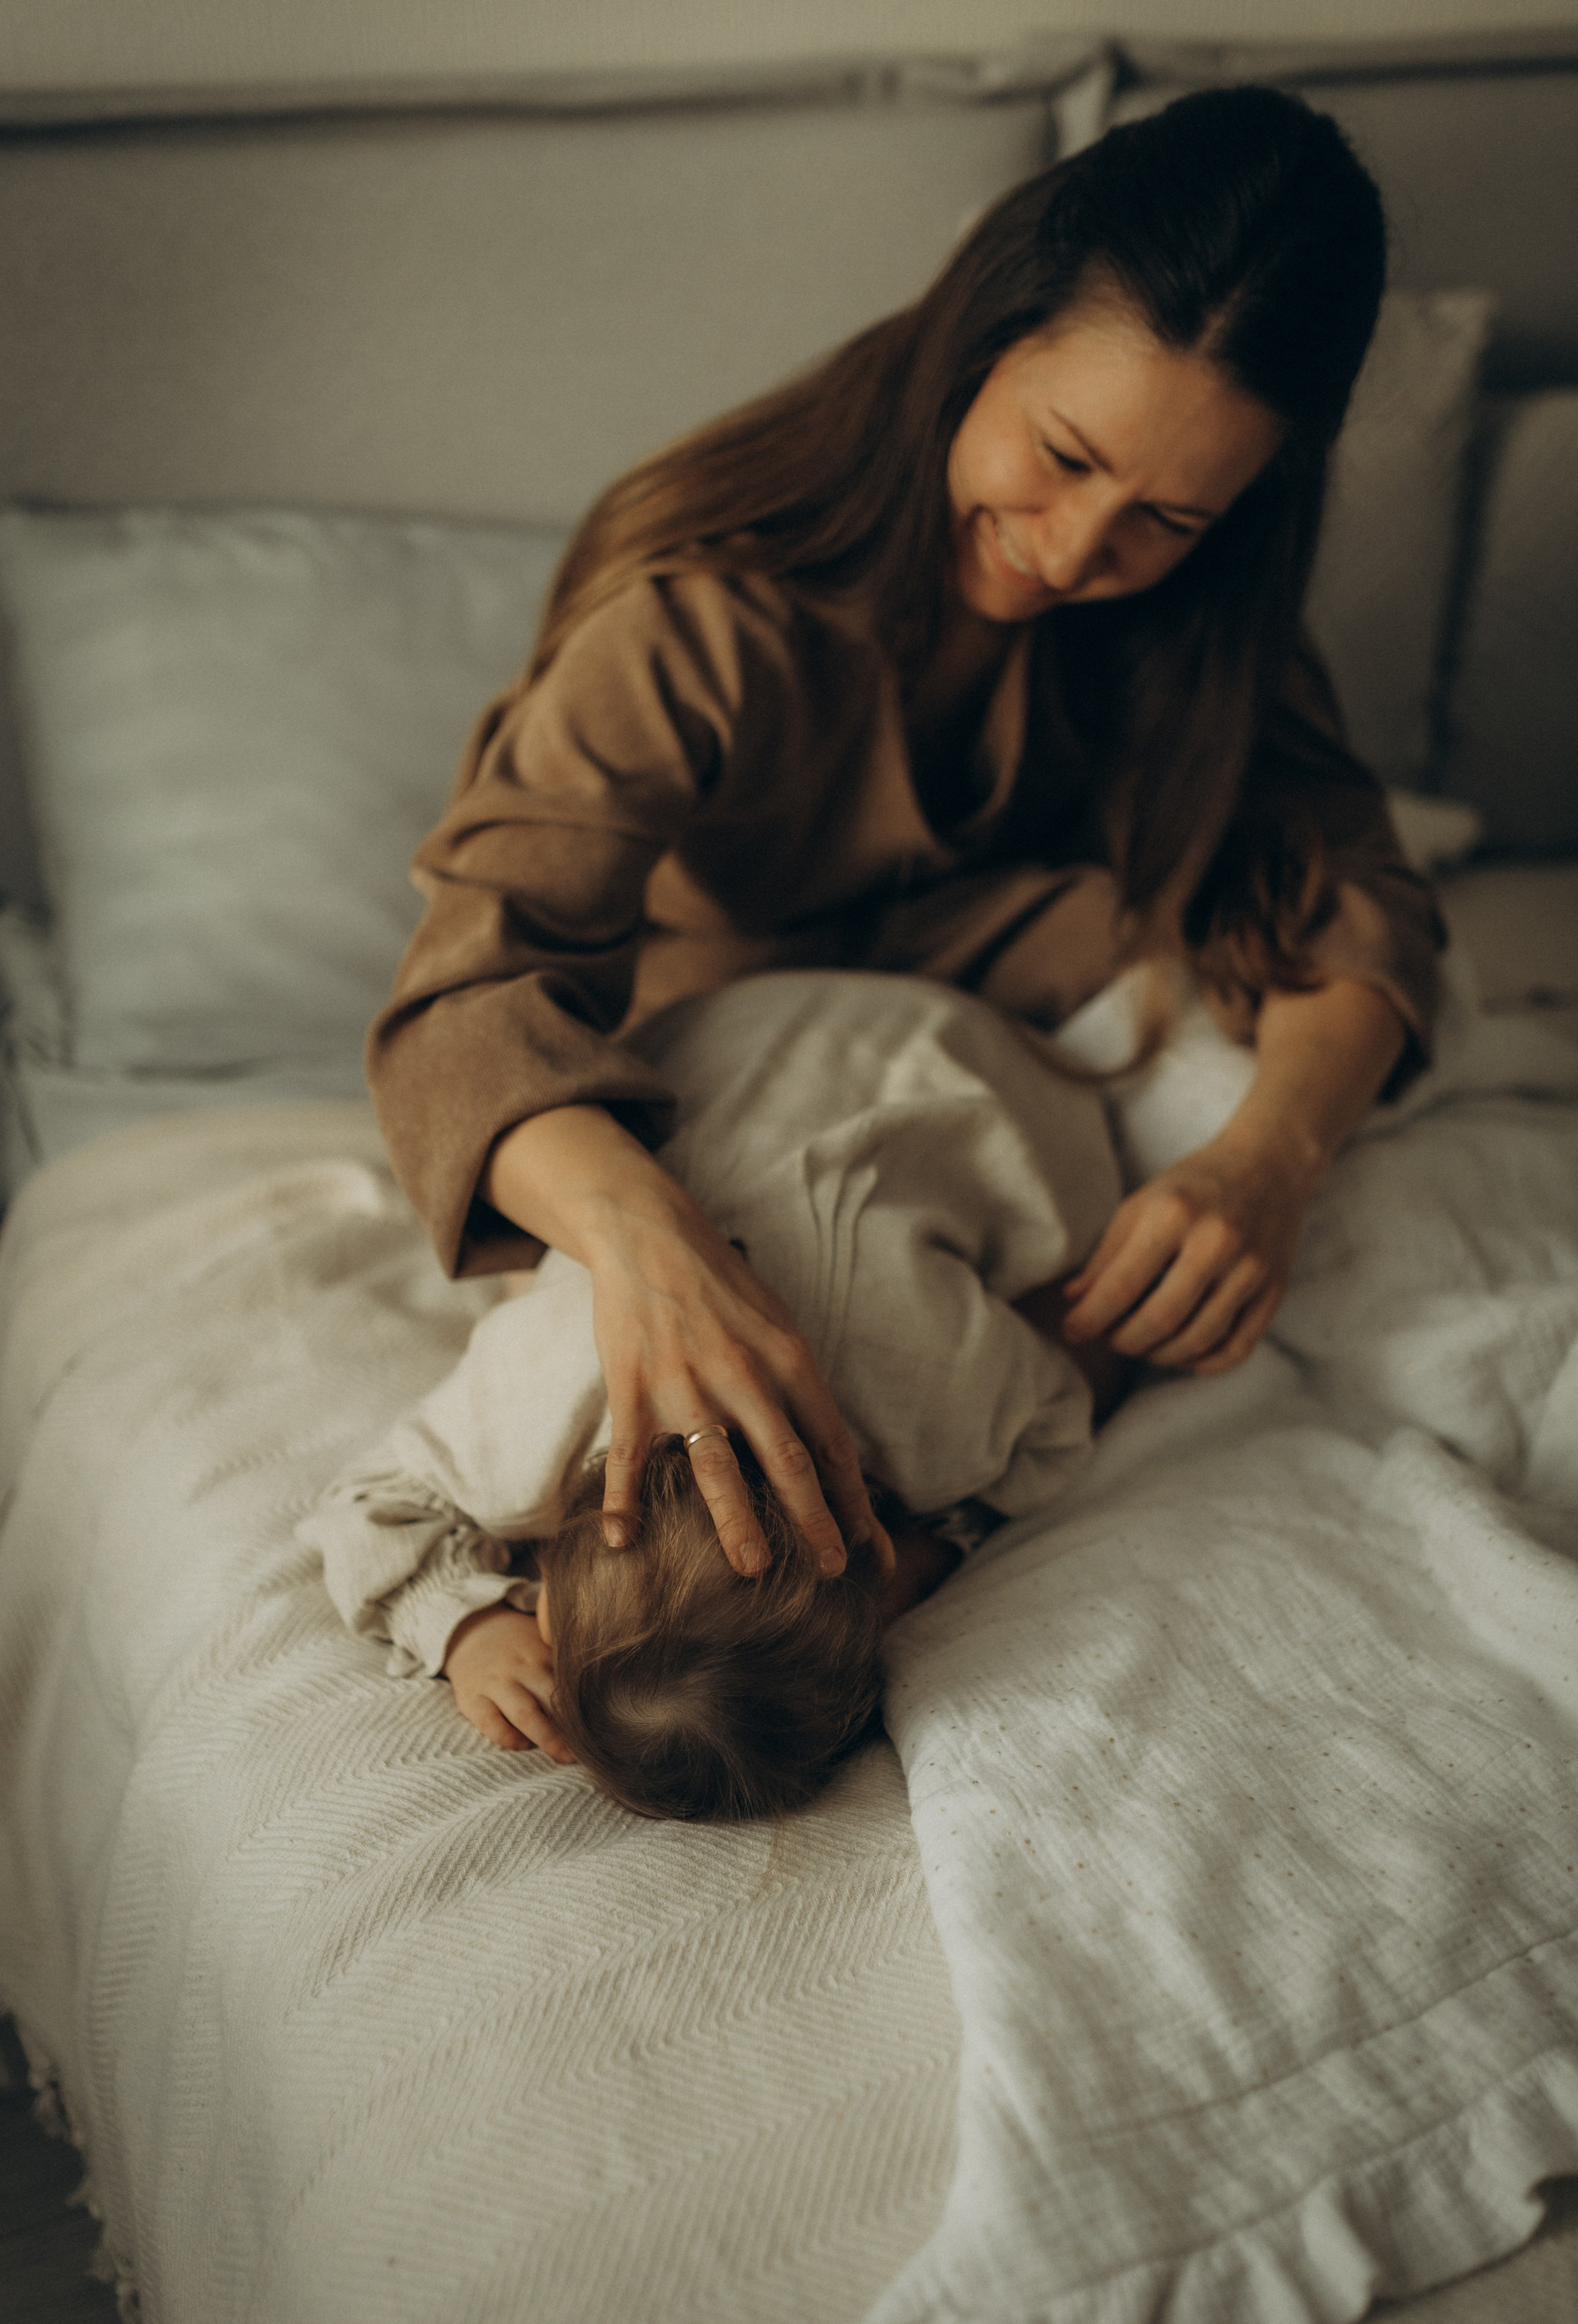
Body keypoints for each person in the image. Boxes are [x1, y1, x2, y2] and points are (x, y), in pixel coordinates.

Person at [366, 85, 1443, 1596]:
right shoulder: (700, 602)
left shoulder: (1198, 606)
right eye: (1063, 456)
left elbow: (1355, 895)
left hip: (1020, 1028)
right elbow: (469, 995)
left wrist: (1267, 1161)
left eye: (1166, 518)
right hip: (715, 1052)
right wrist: (645, 1247)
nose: (1077, 556)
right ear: (981, 332)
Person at [310, 970, 1127, 1818]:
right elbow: (363, 1510)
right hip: (763, 1024)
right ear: (549, 1584)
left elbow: (1056, 1426)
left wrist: (937, 1539)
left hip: (937, 1047)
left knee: (1082, 1279)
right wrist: (470, 1629)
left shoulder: (940, 1405)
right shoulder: (536, 1397)